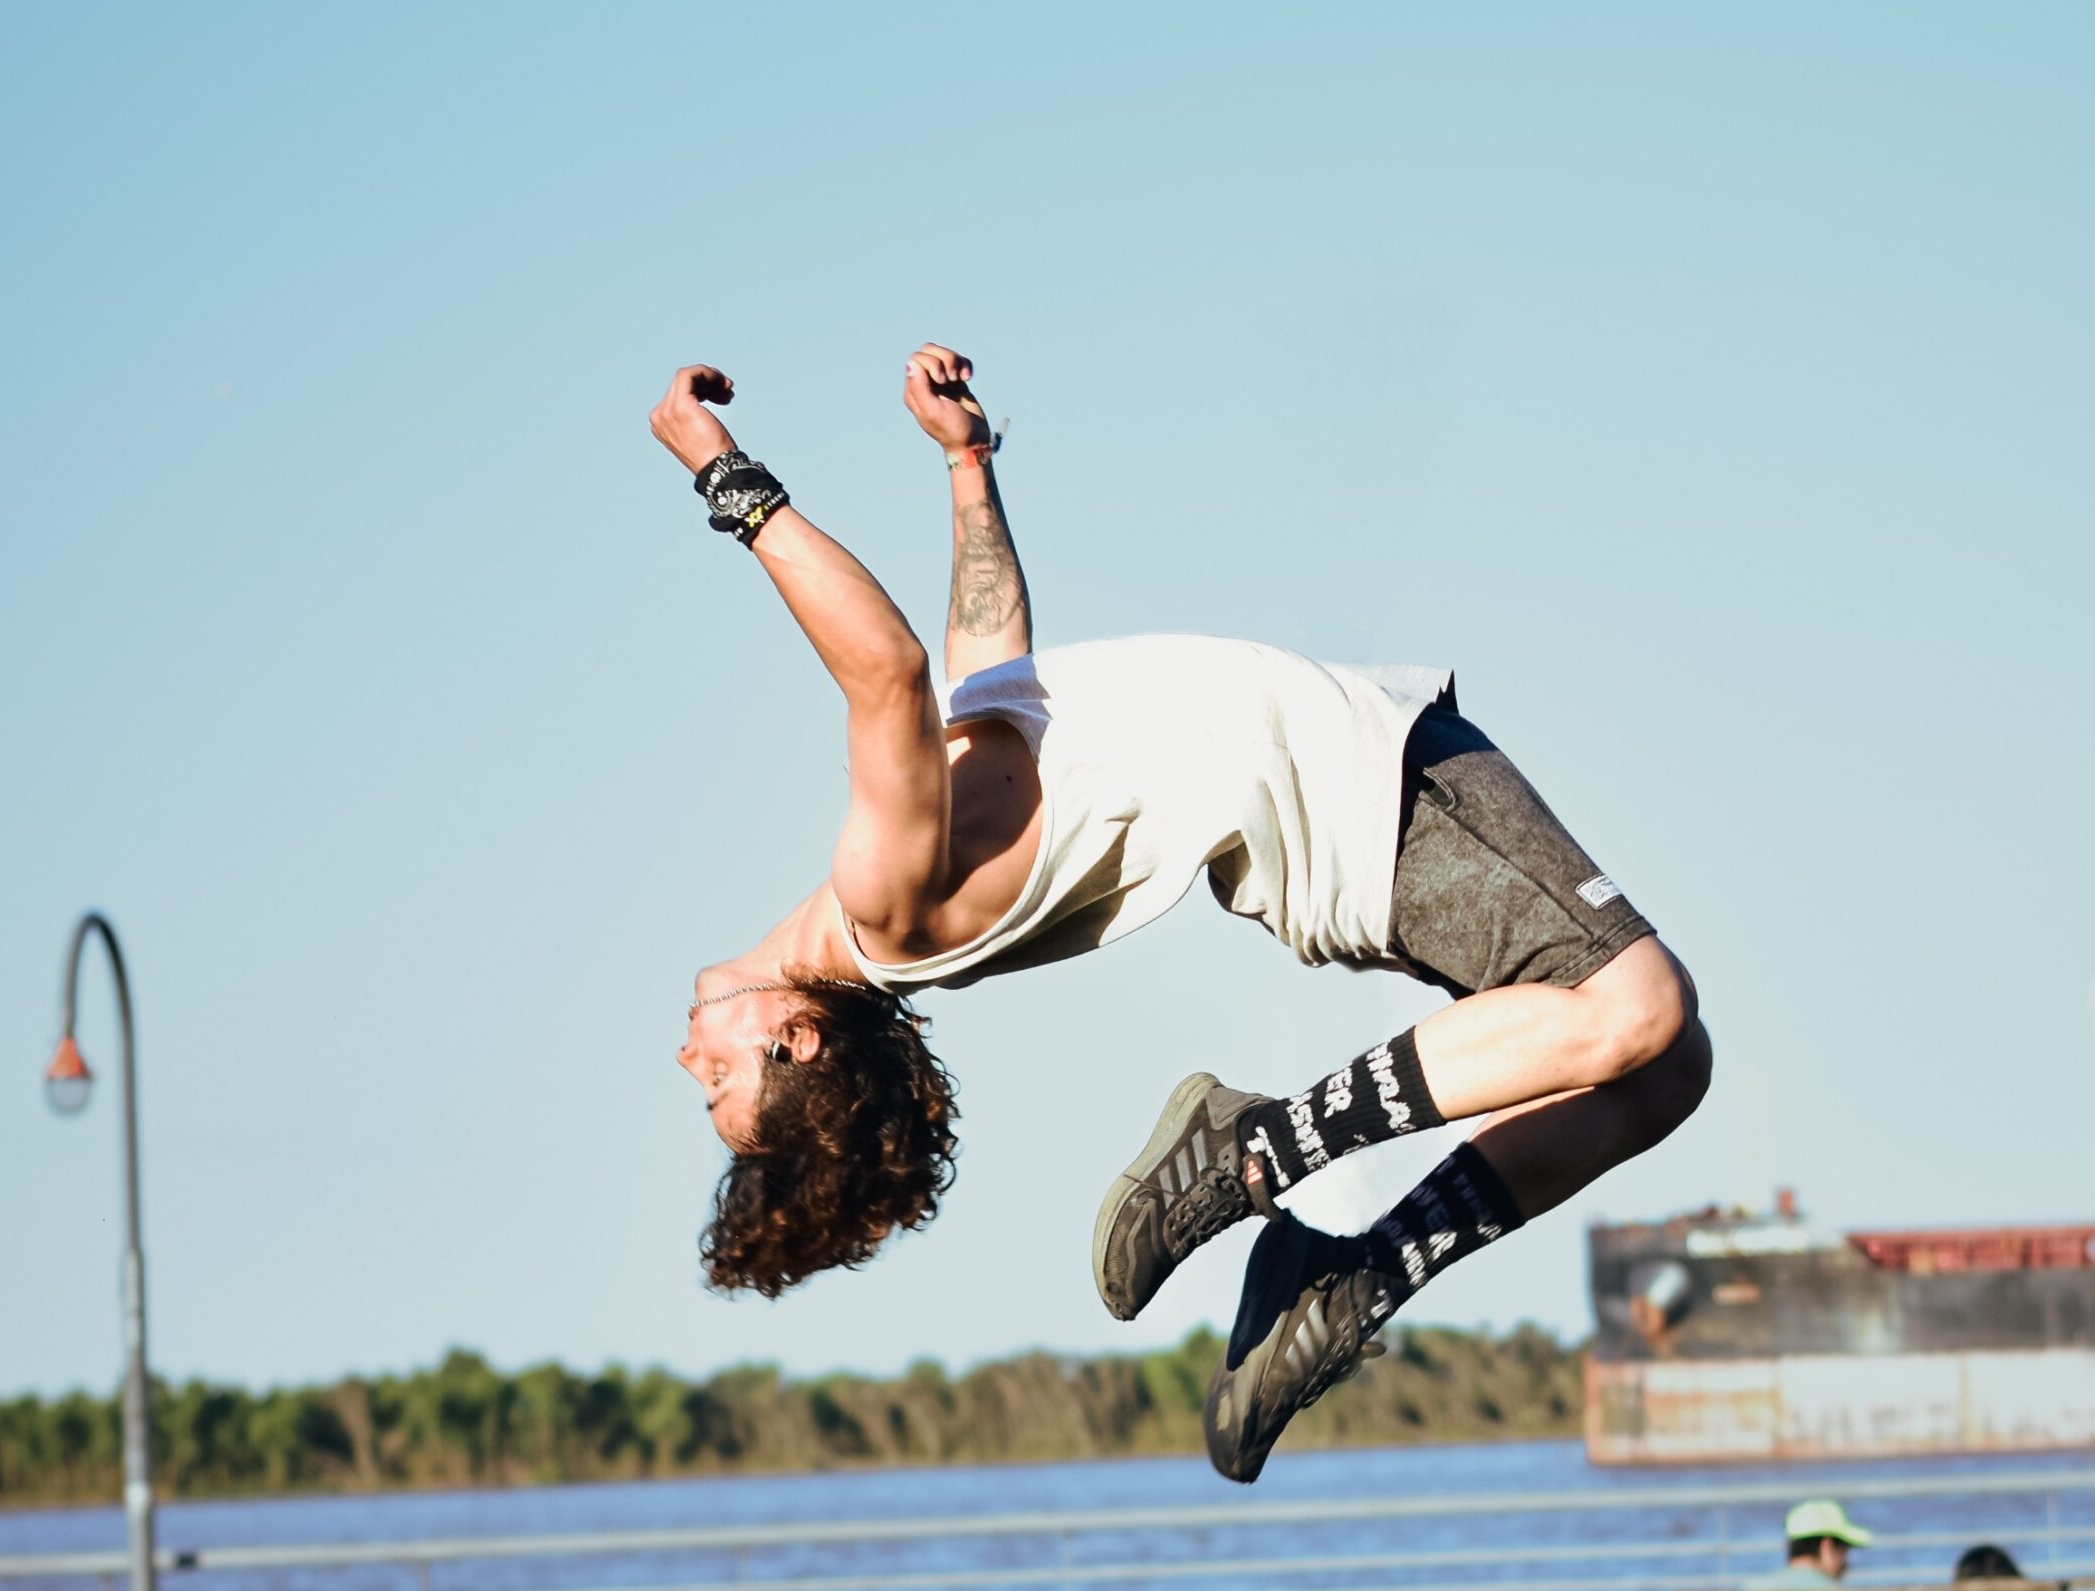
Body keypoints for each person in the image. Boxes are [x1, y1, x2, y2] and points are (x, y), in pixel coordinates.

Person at [654, 347, 1713, 1485]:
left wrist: (968, 466)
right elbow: (885, 670)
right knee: (1638, 1009)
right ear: (794, 1037)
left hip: (1325, 823)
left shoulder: (905, 905)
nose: (687, 1057)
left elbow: (981, 665)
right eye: (718, 1080)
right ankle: (1251, 1147)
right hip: (1347, 782)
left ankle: (1357, 1276)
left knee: (1666, 1070)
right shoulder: (882, 902)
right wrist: (722, 472)